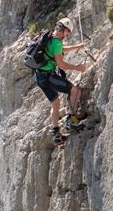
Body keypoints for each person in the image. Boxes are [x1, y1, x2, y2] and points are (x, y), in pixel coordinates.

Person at [34, 17, 92, 145]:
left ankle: (56, 134)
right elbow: (61, 64)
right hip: (48, 77)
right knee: (75, 90)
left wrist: (77, 46)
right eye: (68, 32)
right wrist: (78, 68)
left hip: (39, 76)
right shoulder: (57, 42)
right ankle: (71, 121)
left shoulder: (50, 37)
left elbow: (60, 50)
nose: (67, 35)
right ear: (64, 30)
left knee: (55, 104)